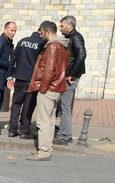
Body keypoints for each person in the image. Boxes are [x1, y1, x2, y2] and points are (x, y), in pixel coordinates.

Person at [26, 21, 70, 161]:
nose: (40, 34)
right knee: (50, 120)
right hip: (57, 88)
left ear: (47, 31)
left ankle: (44, 151)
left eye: (41, 32)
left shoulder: (52, 46)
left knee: (43, 121)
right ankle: (47, 149)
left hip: (49, 88)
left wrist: (43, 89)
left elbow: (49, 70)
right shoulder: (62, 45)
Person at [7, 24, 46, 138]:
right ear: (42, 32)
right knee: (28, 106)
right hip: (32, 81)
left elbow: (13, 59)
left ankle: (12, 130)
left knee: (16, 104)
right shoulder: (42, 44)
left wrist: (10, 75)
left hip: (19, 78)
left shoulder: (22, 41)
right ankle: (24, 130)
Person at [53, 15, 86, 145]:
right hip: (70, 75)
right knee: (63, 106)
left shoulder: (76, 37)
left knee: (65, 107)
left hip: (71, 77)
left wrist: (71, 74)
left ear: (70, 25)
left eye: (62, 26)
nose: (60, 28)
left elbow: (82, 54)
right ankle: (66, 133)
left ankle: (64, 136)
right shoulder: (71, 37)